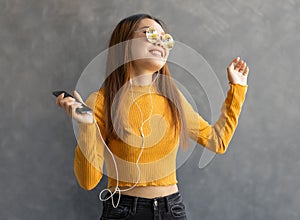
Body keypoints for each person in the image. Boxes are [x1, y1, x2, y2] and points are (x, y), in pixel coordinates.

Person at [55, 14, 249, 220]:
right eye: (151, 33)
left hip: (171, 210)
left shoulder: (173, 99)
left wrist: (238, 88)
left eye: (166, 39)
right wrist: (87, 126)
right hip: (123, 211)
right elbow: (88, 181)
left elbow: (217, 141)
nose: (160, 41)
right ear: (125, 42)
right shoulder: (101, 101)